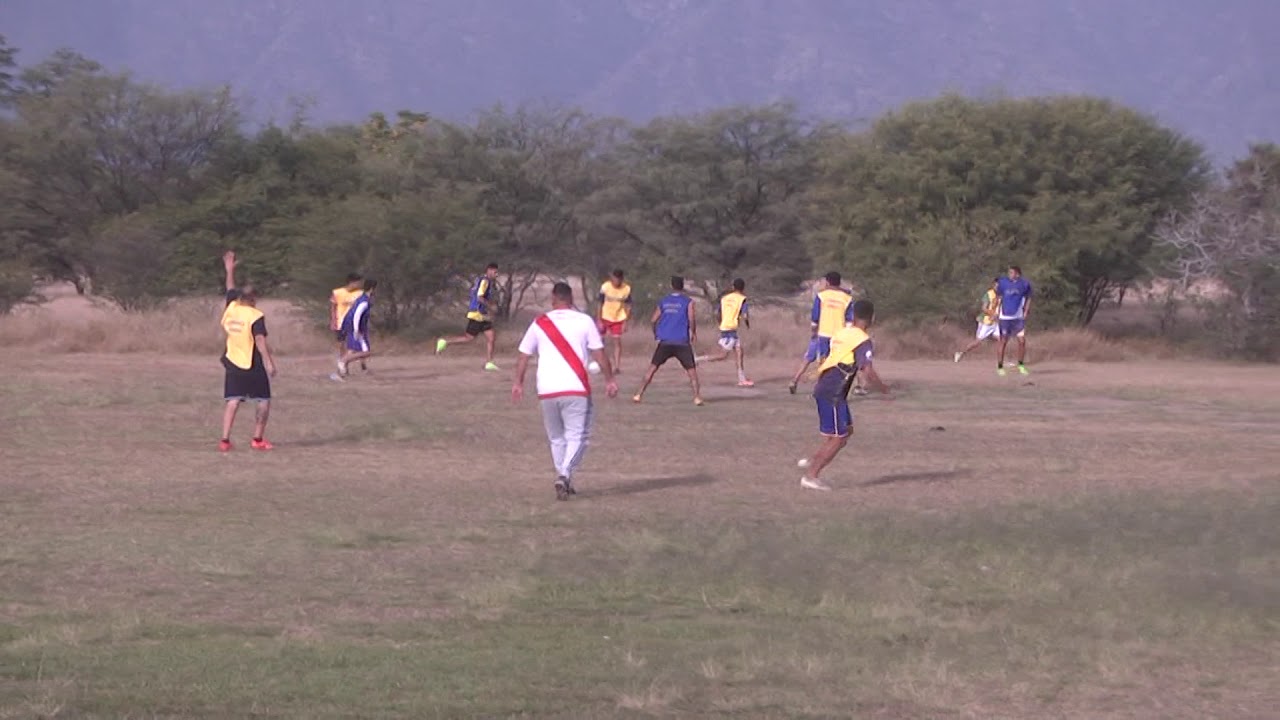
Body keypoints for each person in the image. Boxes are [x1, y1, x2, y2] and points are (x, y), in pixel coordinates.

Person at [512, 282, 619, 501]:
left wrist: (518, 382)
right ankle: (564, 474)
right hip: (575, 388)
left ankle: (564, 478)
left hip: (547, 390)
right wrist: (610, 380)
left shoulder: (539, 323)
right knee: (579, 437)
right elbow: (599, 354)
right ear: (571, 299)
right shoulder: (584, 321)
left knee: (557, 439)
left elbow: (524, 355)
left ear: (553, 299)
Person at [797, 299, 890, 491]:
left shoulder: (842, 333)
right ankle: (811, 476)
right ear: (872, 318)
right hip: (833, 391)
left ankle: (813, 460)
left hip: (828, 387)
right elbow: (867, 369)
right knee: (839, 437)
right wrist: (884, 389)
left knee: (845, 431)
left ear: (853, 316)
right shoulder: (862, 340)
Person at [219, 250, 278, 452]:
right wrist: (269, 364)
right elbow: (260, 341)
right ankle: (257, 439)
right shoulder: (255, 315)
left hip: (232, 360)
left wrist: (229, 269)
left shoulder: (232, 308)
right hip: (251, 363)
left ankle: (225, 440)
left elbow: (229, 288)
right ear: (253, 298)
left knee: (233, 400)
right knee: (263, 400)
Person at [632, 276, 703, 406]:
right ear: (682, 287)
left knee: (652, 368)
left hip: (665, 341)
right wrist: (693, 332)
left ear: (672, 286)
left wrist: (656, 333)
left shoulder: (664, 301)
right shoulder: (688, 302)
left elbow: (653, 320)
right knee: (691, 371)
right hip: (681, 341)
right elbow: (691, 319)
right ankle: (697, 397)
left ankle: (638, 394)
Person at [788, 272, 855, 395]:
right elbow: (850, 320)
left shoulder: (822, 295)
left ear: (827, 282)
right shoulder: (847, 298)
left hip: (823, 333)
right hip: (839, 336)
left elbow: (815, 317)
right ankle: (829, 387)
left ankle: (797, 381)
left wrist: (813, 331)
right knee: (838, 362)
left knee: (817, 359)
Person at [436, 262, 501, 371]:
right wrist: (491, 307)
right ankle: (445, 342)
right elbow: (480, 297)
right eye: (495, 272)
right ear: (489, 270)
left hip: (482, 314)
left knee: (491, 337)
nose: (496, 275)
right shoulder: (485, 281)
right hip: (477, 313)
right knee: (469, 338)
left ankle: (489, 363)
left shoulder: (481, 280)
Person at [696, 278, 754, 387]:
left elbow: (718, 313)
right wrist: (747, 324)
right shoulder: (742, 299)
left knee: (739, 352)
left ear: (733, 287)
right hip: (731, 329)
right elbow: (745, 315)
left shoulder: (725, 298)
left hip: (726, 327)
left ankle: (742, 379)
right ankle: (697, 360)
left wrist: (721, 323)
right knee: (722, 355)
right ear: (743, 288)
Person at [331, 279, 377, 382]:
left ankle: (338, 374)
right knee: (366, 352)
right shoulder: (364, 301)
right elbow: (357, 315)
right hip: (356, 328)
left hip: (350, 325)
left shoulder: (361, 298)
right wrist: (356, 329)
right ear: (372, 289)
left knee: (352, 350)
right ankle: (342, 361)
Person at [994, 265, 1033, 376]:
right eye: (1009, 272)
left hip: (1018, 318)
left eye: (1012, 273)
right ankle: (1000, 366)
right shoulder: (1003, 283)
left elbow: (1029, 297)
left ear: (1017, 274)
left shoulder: (1024, 284)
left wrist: (1026, 311)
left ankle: (1021, 364)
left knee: (1022, 341)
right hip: (1005, 317)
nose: (1010, 274)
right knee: (1003, 341)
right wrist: (996, 311)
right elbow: (999, 297)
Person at [954, 277, 1002, 363]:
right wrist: (992, 314)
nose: (998, 287)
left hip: (994, 322)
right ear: (993, 285)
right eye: (997, 285)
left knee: (1001, 340)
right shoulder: (988, 294)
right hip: (986, 322)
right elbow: (984, 308)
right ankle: (960, 353)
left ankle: (1001, 361)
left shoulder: (1000, 295)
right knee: (977, 342)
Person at [597, 269, 632, 375]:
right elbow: (599, 303)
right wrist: (599, 319)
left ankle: (617, 367)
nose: (615, 281)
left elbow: (629, 306)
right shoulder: (605, 287)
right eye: (614, 278)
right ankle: (601, 364)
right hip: (605, 316)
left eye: (618, 279)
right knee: (600, 342)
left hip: (618, 318)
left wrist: (626, 321)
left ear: (621, 279)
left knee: (616, 342)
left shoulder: (626, 289)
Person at [330, 273, 365, 373]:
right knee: (342, 345)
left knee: (357, 345)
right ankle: (344, 366)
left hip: (355, 323)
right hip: (341, 322)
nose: (360, 285)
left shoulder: (360, 293)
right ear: (352, 282)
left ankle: (363, 365)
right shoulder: (337, 292)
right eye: (358, 282)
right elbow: (333, 307)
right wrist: (333, 321)